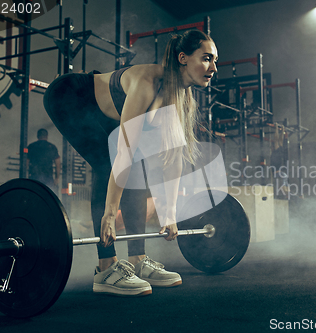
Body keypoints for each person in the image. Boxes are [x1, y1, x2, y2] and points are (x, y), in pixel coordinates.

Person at [43, 29, 218, 295]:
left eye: (215, 60)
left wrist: (170, 215)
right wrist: (110, 214)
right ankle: (105, 267)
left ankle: (137, 259)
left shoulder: (178, 95)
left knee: (137, 169)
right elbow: (123, 153)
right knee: (108, 163)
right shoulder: (148, 83)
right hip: (70, 95)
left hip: (101, 110)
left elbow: (173, 161)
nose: (213, 67)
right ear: (183, 58)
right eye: (206, 58)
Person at [27, 128, 61, 193]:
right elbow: (58, 164)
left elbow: (26, 163)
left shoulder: (31, 146)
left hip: (34, 176)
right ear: (47, 136)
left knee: (34, 194)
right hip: (48, 177)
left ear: (37, 136)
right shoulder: (52, 147)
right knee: (48, 195)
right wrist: (57, 178)